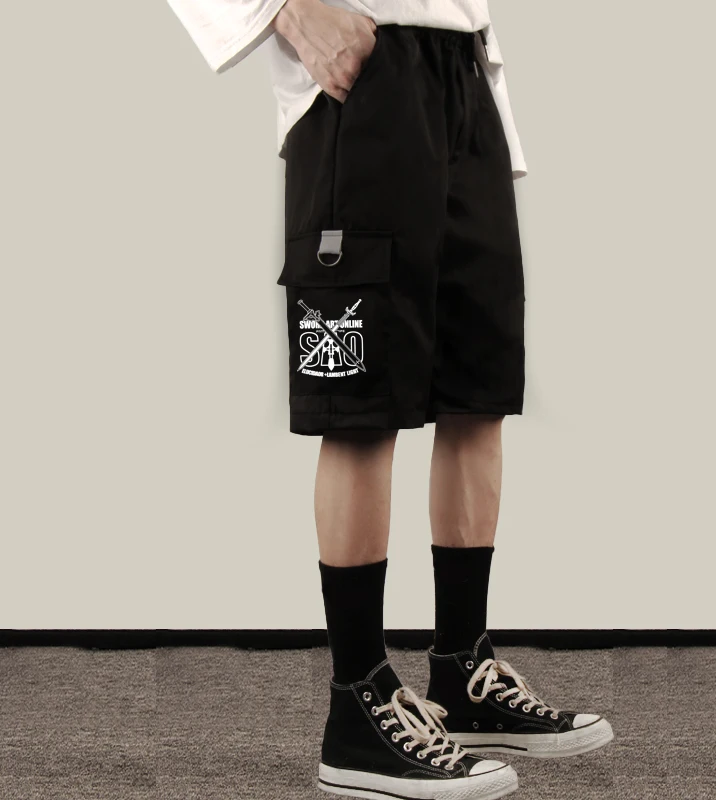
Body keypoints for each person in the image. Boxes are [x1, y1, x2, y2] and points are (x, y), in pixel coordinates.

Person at [167, 1, 613, 797]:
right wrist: (286, 9)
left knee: (477, 391)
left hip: (464, 74)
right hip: (364, 78)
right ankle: (358, 706)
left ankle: (462, 671)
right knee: (362, 406)